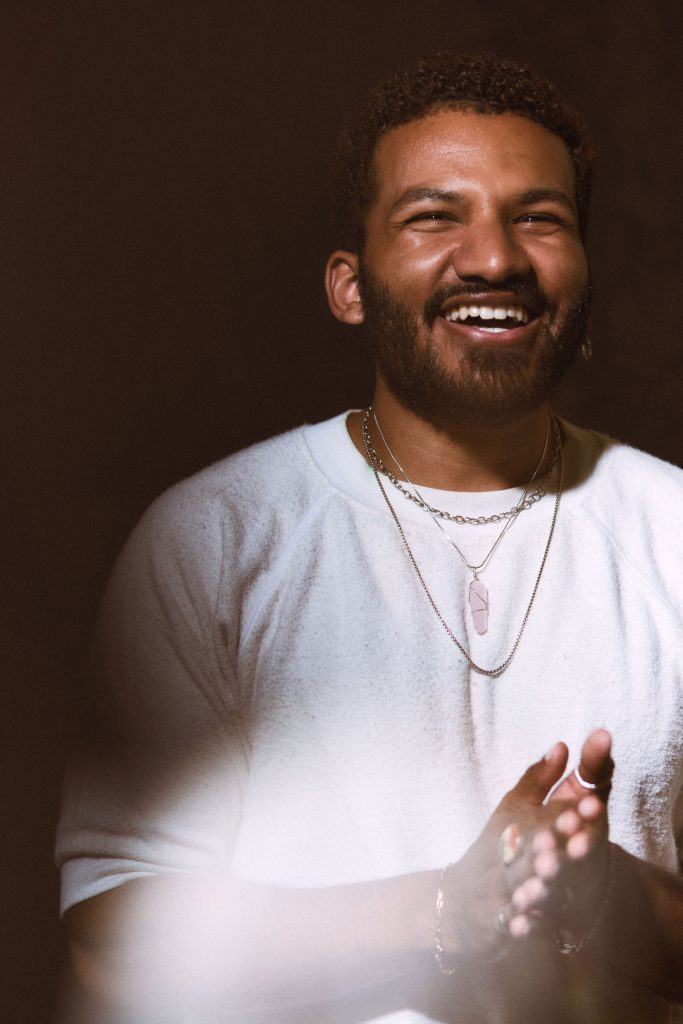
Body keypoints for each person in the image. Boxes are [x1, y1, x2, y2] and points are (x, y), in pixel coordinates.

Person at [57, 52, 683, 1024]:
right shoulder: (215, 536)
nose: (493, 258)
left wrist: (613, 899)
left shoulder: (668, 529)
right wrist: (440, 908)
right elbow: (110, 935)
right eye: (434, 216)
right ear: (348, 285)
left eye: (538, 218)